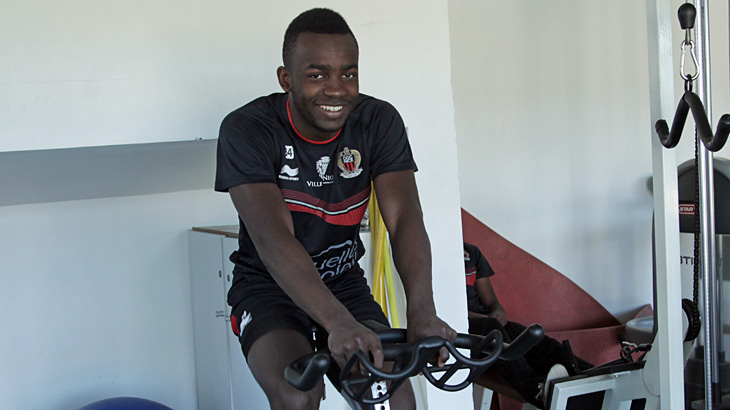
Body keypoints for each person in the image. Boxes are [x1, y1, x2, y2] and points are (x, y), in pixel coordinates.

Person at [214, 8, 456, 410]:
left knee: (391, 396)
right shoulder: (247, 129)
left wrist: (423, 311)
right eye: (317, 75)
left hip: (342, 280)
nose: (336, 89)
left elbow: (404, 218)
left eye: (348, 74)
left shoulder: (378, 121)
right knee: (297, 395)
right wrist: (337, 323)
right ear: (286, 79)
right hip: (268, 286)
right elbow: (274, 240)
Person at [464, 242, 593, 408]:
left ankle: (592, 375)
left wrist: (498, 312)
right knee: (492, 330)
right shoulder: (432, 256)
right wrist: (487, 319)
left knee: (532, 339)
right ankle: (536, 391)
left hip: (490, 324)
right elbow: (441, 312)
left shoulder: (471, 252)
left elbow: (492, 303)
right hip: (463, 332)